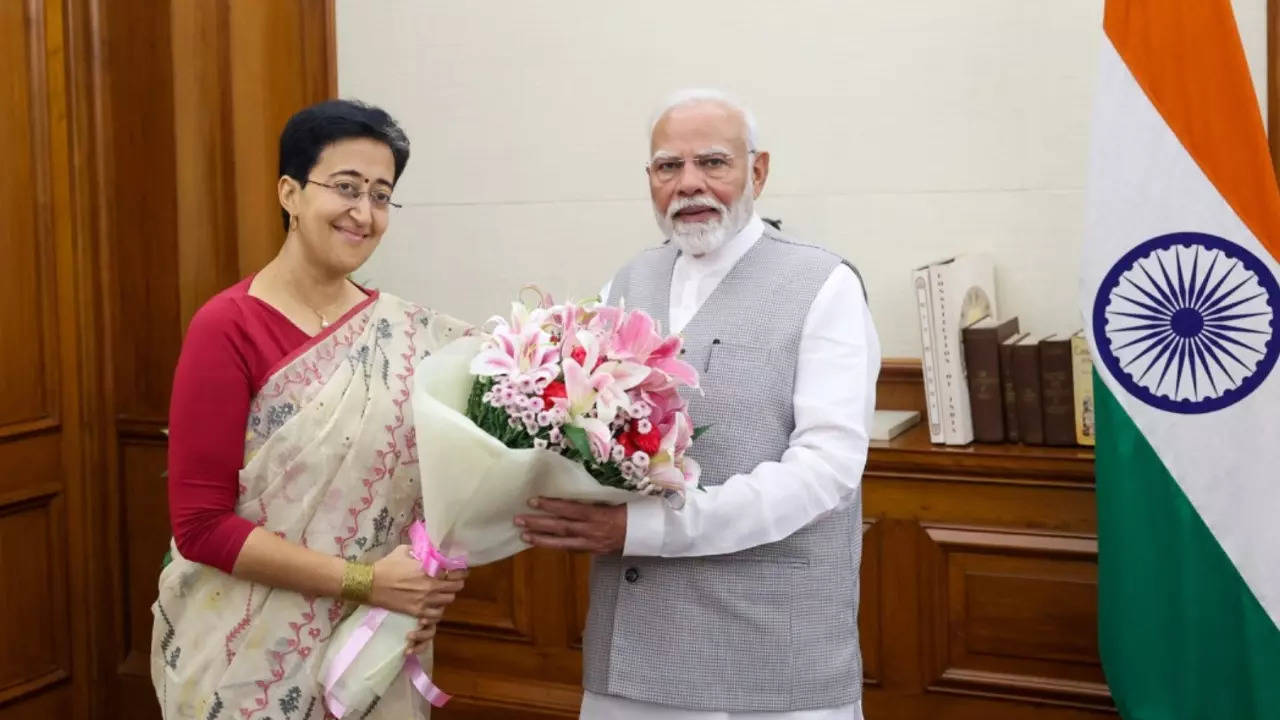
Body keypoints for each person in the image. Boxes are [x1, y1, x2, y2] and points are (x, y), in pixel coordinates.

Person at [516, 89, 881, 719]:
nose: (689, 185)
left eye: (713, 163)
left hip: (767, 661)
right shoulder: (625, 284)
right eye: (668, 167)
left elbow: (827, 472)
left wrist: (648, 528)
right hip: (631, 651)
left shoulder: (825, 285)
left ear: (757, 171)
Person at [151, 99, 469, 720]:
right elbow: (199, 525)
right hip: (246, 658)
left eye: (381, 195)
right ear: (290, 193)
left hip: (374, 647)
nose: (364, 212)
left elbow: (441, 497)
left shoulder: (409, 334)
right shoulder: (228, 326)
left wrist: (431, 573)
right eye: (345, 188)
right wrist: (363, 581)